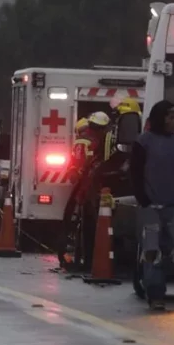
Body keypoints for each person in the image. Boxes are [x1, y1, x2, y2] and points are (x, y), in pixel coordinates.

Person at [130, 100, 174, 311]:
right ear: (160, 119)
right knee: (152, 251)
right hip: (150, 209)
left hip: (173, 208)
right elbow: (135, 174)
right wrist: (143, 201)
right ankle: (156, 294)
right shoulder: (143, 142)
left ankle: (154, 278)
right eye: (170, 118)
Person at [60, 111, 110, 269]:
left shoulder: (89, 139)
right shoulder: (91, 140)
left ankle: (83, 257)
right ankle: (82, 257)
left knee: (80, 220)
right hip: (87, 185)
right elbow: (79, 163)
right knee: (83, 220)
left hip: (88, 185)